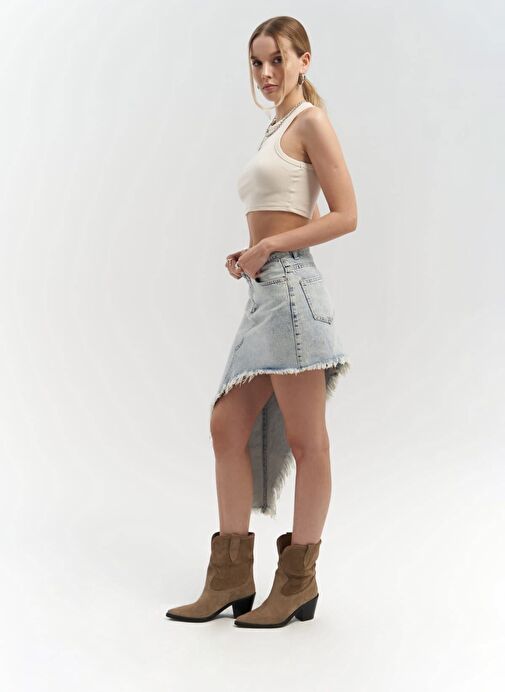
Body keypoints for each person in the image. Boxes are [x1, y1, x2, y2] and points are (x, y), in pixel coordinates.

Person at [166, 15, 357, 628]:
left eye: (277, 59)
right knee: (228, 425)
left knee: (307, 440)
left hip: (293, 293)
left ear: (304, 60)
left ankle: (298, 582)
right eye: (257, 62)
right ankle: (230, 578)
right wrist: (252, 251)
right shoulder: (276, 127)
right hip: (265, 293)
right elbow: (280, 212)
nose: (266, 73)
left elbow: (347, 215)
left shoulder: (311, 121)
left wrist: (271, 246)